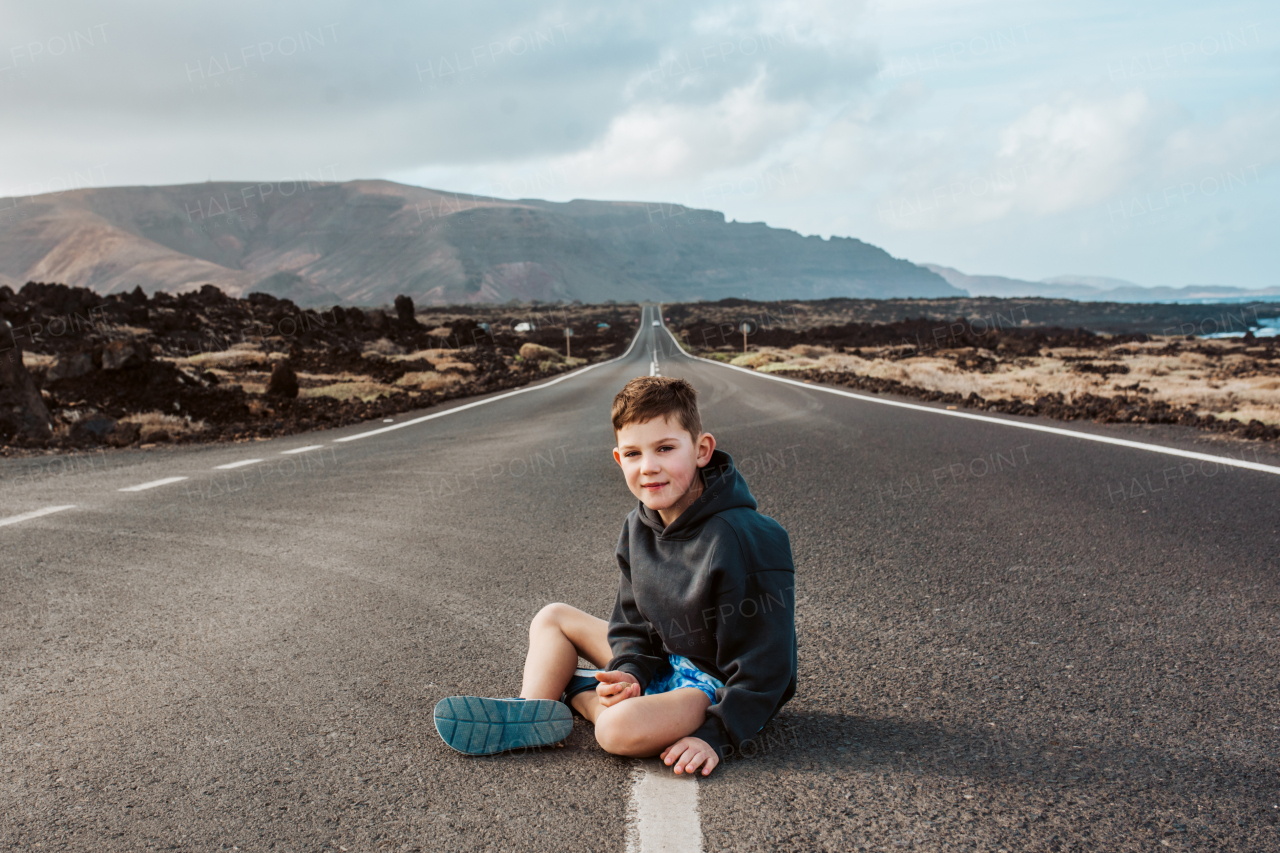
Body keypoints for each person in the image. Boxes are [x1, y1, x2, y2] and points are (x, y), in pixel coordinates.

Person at [433, 376, 797, 776]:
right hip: (664, 661)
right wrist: (628, 672)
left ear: (701, 450)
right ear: (619, 460)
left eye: (665, 448)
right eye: (634, 454)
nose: (649, 467)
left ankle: (574, 691)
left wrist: (719, 733)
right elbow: (633, 624)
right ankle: (532, 712)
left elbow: (769, 664)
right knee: (552, 617)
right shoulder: (638, 526)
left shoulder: (745, 538)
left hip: (712, 684)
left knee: (615, 729)